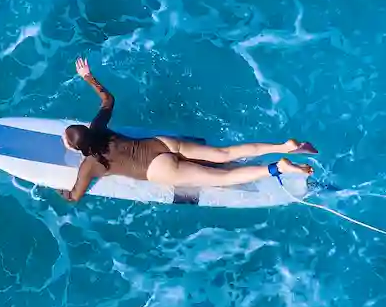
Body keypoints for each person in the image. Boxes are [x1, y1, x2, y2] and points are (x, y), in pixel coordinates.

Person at [61, 58, 315, 203]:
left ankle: (277, 168)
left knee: (224, 178)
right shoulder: (98, 127)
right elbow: (108, 101)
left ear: (76, 148)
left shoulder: (90, 165)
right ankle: (282, 147)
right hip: (160, 144)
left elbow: (75, 196)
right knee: (224, 154)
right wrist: (87, 76)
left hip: (159, 169)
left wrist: (61, 191)